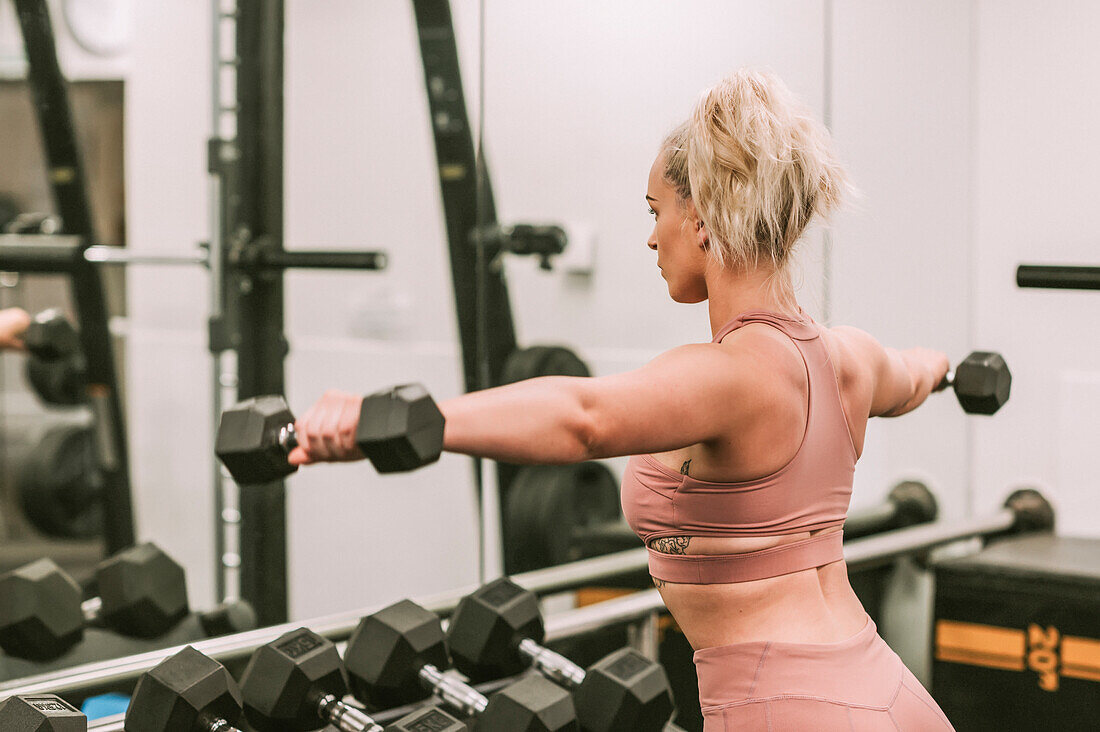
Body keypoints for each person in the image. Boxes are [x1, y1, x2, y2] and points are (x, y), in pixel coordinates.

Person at [288, 69, 955, 730]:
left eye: (654, 210)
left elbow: (583, 418)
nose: (650, 237)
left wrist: (384, 421)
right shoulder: (851, 357)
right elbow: (917, 374)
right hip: (887, 689)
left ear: (699, 219)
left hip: (789, 708)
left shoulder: (732, 374)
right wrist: (952, 370)